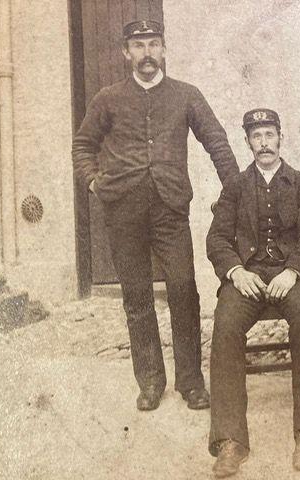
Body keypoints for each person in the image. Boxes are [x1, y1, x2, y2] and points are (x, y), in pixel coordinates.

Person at [72, 20, 239, 412]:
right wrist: (94, 182)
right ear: (125, 53)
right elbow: (83, 145)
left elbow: (216, 140)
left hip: (170, 207)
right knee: (136, 295)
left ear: (163, 50)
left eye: (153, 44)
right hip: (123, 208)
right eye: (138, 45)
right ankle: (149, 381)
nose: (147, 52)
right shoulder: (108, 98)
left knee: (183, 287)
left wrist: (234, 189)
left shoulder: (186, 95)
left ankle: (191, 381)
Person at [206, 108, 300, 477]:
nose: (264, 143)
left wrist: (293, 271)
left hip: (293, 277)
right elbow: (217, 238)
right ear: (248, 142)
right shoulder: (235, 187)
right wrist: (235, 270)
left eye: (269, 134)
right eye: (256, 136)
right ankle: (231, 440)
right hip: (248, 277)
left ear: (280, 138)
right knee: (225, 327)